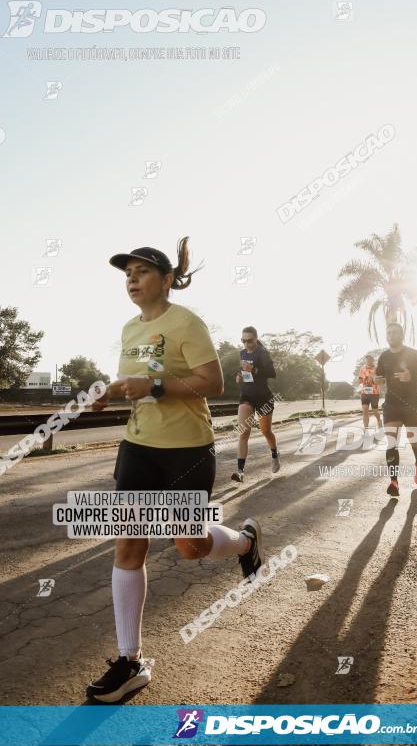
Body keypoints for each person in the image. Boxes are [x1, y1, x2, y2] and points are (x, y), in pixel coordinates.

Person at [86, 240, 264, 703]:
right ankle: (130, 662)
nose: (132, 278)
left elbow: (213, 383)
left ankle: (245, 541)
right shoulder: (129, 328)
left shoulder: (186, 322)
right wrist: (110, 391)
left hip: (186, 450)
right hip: (138, 447)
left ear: (166, 279)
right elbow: (136, 382)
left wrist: (158, 384)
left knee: (190, 547)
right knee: (129, 544)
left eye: (143, 271)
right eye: (127, 272)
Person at [375, 321, 417, 497]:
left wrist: (412, 375)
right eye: (389, 332)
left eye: (395, 332)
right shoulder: (383, 357)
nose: (391, 335)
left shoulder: (414, 354)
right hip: (391, 405)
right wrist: (378, 380)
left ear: (401, 335)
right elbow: (380, 377)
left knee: (413, 439)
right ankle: (394, 482)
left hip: (412, 404)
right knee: (392, 442)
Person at [231, 326, 279, 482]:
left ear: (256, 339)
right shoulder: (242, 353)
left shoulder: (263, 353)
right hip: (247, 396)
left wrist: (255, 370)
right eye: (243, 341)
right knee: (243, 432)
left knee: (266, 432)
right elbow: (244, 371)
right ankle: (240, 472)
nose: (246, 344)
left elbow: (272, 373)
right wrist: (239, 375)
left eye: (249, 341)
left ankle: (275, 455)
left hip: (264, 398)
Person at [358, 354, 382, 430]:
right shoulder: (362, 368)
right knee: (365, 410)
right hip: (364, 392)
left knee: (375, 410)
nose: (368, 361)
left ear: (372, 360)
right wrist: (361, 386)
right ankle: (366, 429)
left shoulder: (377, 369)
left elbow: (381, 380)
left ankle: (379, 420)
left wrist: (375, 380)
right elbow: (360, 379)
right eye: (367, 360)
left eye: (370, 360)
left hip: (374, 393)